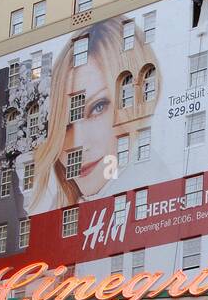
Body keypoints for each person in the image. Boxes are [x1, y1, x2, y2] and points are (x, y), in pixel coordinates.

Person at [25, 17, 162, 216]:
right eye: (65, 123)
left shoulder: (155, 192)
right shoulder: (58, 210)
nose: (79, 143)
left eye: (98, 107)